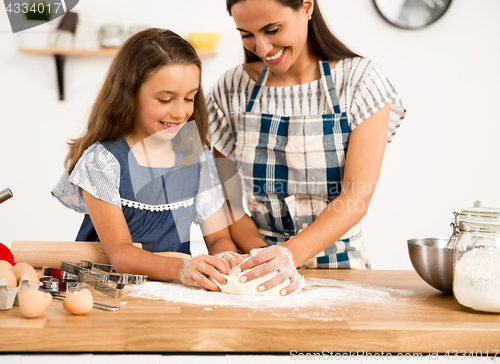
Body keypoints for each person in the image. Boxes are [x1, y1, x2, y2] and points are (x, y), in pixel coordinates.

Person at [208, 0, 406, 295]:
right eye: (246, 34)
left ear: (306, 7)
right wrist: (262, 259)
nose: (261, 49)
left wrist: (290, 255)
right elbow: (229, 200)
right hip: (258, 270)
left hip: (342, 272)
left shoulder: (360, 81)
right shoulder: (231, 88)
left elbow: (357, 194)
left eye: (272, 29)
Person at [52, 28, 242, 291]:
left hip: (172, 295)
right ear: (129, 93)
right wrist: (181, 268)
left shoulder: (198, 160)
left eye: (190, 98)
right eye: (165, 99)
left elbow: (219, 236)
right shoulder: (102, 161)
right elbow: (120, 253)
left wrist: (224, 258)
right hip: (105, 292)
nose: (180, 112)